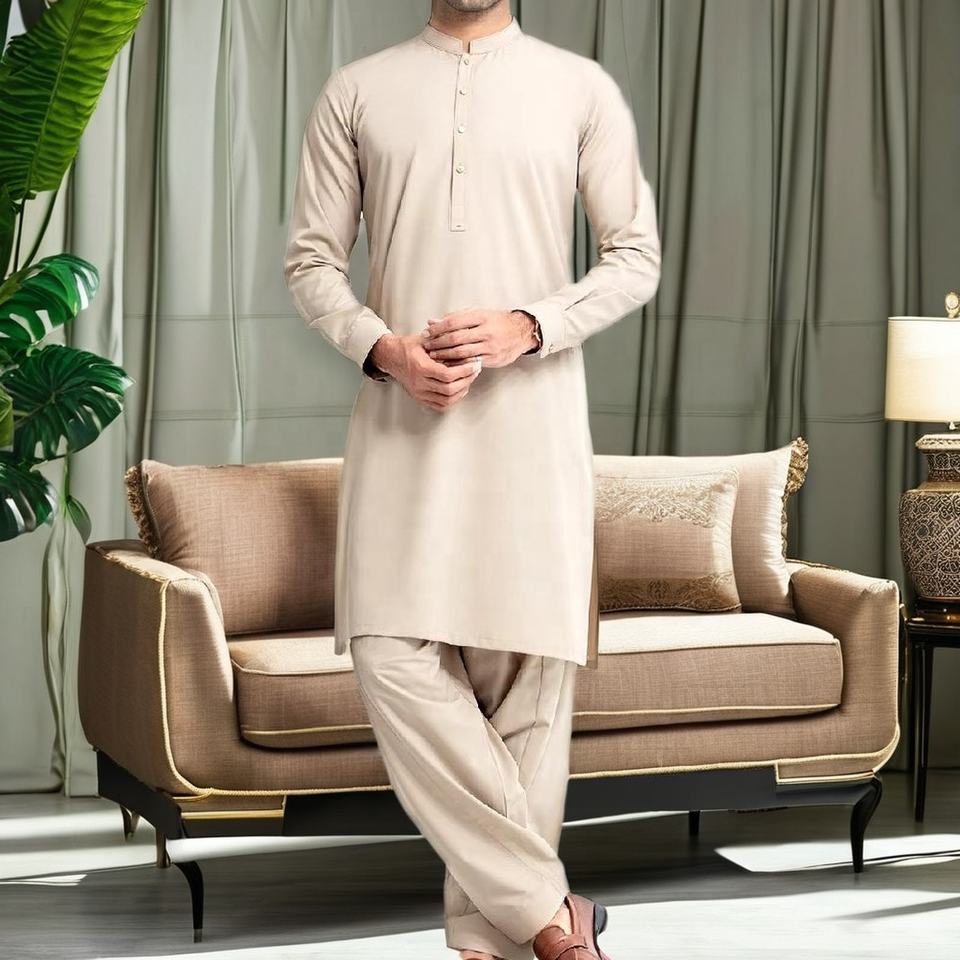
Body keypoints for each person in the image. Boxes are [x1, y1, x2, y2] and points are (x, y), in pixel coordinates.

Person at [284, 1, 661, 957]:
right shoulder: (358, 91)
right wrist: (386, 351)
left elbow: (635, 258)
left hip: (533, 427)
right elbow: (312, 262)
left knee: (525, 687)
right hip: (402, 424)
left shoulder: (579, 89)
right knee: (389, 653)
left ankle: (486, 944)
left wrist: (530, 325)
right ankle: (554, 916)